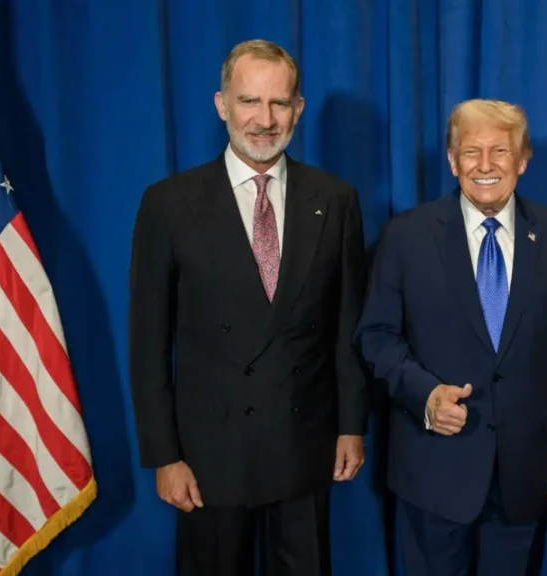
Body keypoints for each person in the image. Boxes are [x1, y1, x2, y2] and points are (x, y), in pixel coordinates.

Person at [128, 39, 368, 576]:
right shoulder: (168, 204)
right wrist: (165, 456)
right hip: (209, 454)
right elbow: (148, 344)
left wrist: (352, 425)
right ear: (221, 105)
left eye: (279, 104)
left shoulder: (336, 199)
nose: (264, 119)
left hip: (304, 443)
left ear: (298, 110)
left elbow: (346, 325)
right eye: (249, 101)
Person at [354, 98, 547, 575]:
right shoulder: (406, 236)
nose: (485, 165)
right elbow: (376, 336)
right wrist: (424, 395)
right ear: (451, 160)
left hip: (524, 473)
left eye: (500, 152)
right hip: (432, 471)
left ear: (522, 160)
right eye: (470, 152)